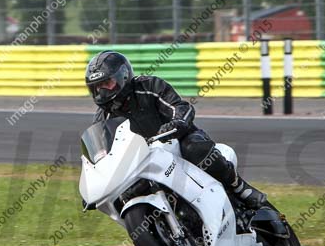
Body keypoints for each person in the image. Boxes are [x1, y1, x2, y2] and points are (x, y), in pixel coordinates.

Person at [85, 50, 267, 209]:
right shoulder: (103, 118)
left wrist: (177, 122)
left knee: (194, 148)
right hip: (143, 162)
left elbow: (181, 107)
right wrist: (93, 188)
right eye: (97, 87)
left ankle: (239, 187)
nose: (102, 91)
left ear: (123, 76)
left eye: (106, 83)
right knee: (123, 194)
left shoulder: (149, 87)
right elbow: (101, 156)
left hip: (177, 141)